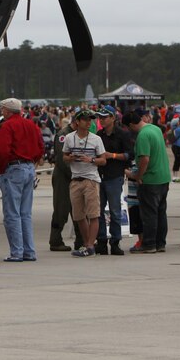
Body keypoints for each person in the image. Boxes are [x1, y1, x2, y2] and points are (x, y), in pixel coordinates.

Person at [0, 97, 44, 262]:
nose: (2, 112)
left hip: (14, 168)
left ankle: (17, 251)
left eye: (3, 109)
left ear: (8, 111)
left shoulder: (8, 125)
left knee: (12, 213)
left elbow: (2, 150)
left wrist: (3, 167)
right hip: (29, 167)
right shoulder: (31, 125)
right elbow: (40, 148)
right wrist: (32, 161)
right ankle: (29, 251)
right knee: (25, 212)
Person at [122, 110, 170, 253]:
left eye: (127, 127)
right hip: (163, 177)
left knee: (149, 214)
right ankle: (160, 243)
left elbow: (145, 159)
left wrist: (137, 176)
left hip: (150, 179)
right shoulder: (154, 128)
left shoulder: (142, 135)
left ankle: (148, 244)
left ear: (131, 125)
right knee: (161, 212)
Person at [62, 109, 107, 257]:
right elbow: (64, 157)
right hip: (75, 179)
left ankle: (89, 245)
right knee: (79, 215)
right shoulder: (69, 138)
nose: (89, 122)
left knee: (93, 214)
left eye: (91, 120)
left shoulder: (96, 139)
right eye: (86, 120)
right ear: (77, 122)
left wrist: (91, 160)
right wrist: (71, 157)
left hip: (91, 180)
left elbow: (103, 160)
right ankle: (89, 244)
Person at [97, 106, 134, 255]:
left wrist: (112, 155)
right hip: (100, 176)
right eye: (100, 117)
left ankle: (115, 241)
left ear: (113, 118)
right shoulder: (99, 135)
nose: (102, 119)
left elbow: (130, 155)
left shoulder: (123, 134)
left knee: (115, 211)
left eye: (105, 117)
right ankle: (101, 241)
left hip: (115, 176)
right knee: (98, 211)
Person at [48, 116, 79, 252]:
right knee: (61, 208)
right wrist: (75, 175)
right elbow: (61, 160)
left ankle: (81, 239)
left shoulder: (78, 135)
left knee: (78, 208)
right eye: (86, 120)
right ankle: (55, 239)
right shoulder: (63, 135)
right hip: (63, 176)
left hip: (75, 175)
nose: (89, 123)